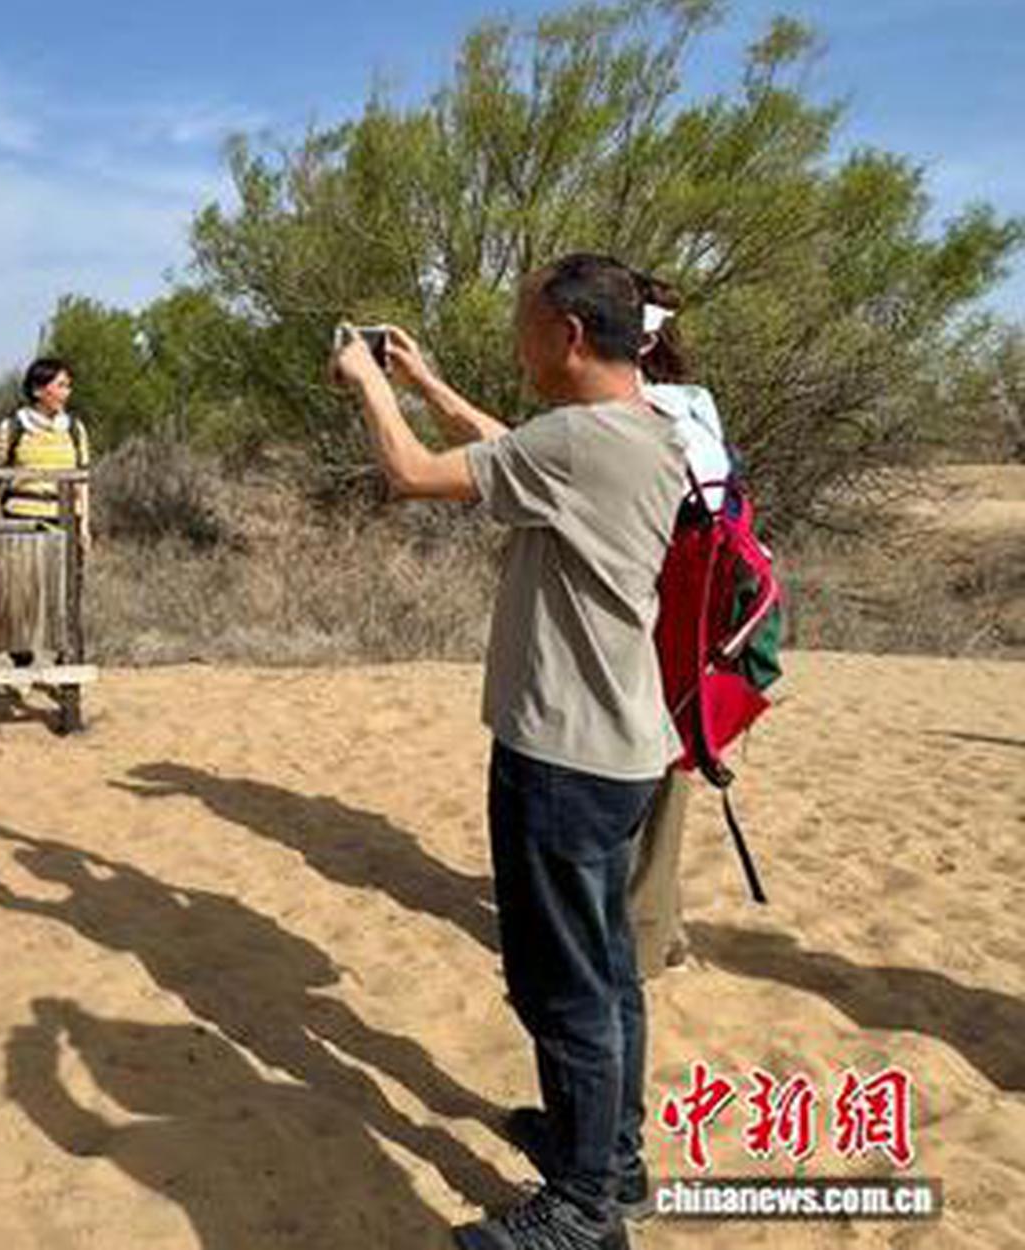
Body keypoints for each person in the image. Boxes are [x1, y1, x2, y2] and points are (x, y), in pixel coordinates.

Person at [330, 253, 686, 1250]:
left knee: (558, 982)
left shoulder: (575, 442)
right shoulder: (643, 425)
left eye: (525, 324)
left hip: (561, 755)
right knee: (605, 968)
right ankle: (608, 1157)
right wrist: (425, 382)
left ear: (568, 335)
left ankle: (579, 1210)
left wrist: (365, 387)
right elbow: (512, 450)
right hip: (618, 747)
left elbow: (410, 475)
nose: (517, 340)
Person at [626, 272, 729, 978]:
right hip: (701, 604)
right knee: (672, 758)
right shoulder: (694, 403)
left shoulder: (647, 411)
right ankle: (661, 929)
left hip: (667, 604)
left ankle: (636, 941)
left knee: (648, 759)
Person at [0, 356, 92, 666]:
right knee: (19, 591)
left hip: (63, 519)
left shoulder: (75, 429)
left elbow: (82, 479)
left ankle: (64, 657)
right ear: (39, 390)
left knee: (65, 591)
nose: (67, 391)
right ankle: (21, 654)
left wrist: (84, 525)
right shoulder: (14, 426)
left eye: (68, 385)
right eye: (60, 385)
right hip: (21, 519)